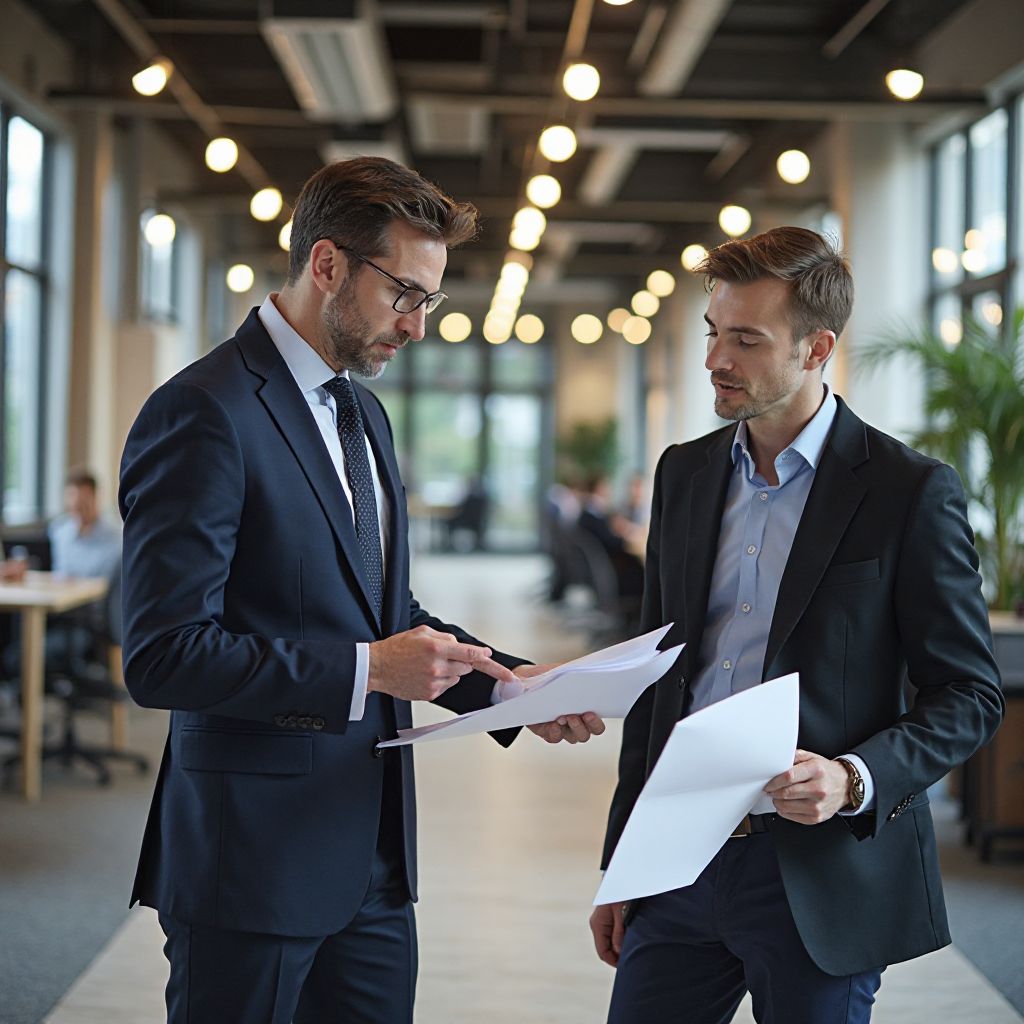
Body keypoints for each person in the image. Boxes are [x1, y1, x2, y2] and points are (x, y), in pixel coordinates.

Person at [119, 156, 603, 1024]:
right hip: (252, 865)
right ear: (328, 264)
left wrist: (511, 690)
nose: (416, 326)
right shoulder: (204, 411)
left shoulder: (362, 413)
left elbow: (388, 615)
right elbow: (163, 657)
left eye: (429, 300)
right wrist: (366, 672)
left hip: (374, 862)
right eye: (404, 295)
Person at [590, 226, 1004, 1024]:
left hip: (822, 874)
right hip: (679, 854)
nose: (716, 359)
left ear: (817, 349)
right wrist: (623, 863)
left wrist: (855, 776)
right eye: (714, 332)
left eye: (746, 340)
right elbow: (660, 685)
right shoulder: (685, 472)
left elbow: (968, 695)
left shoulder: (909, 491)